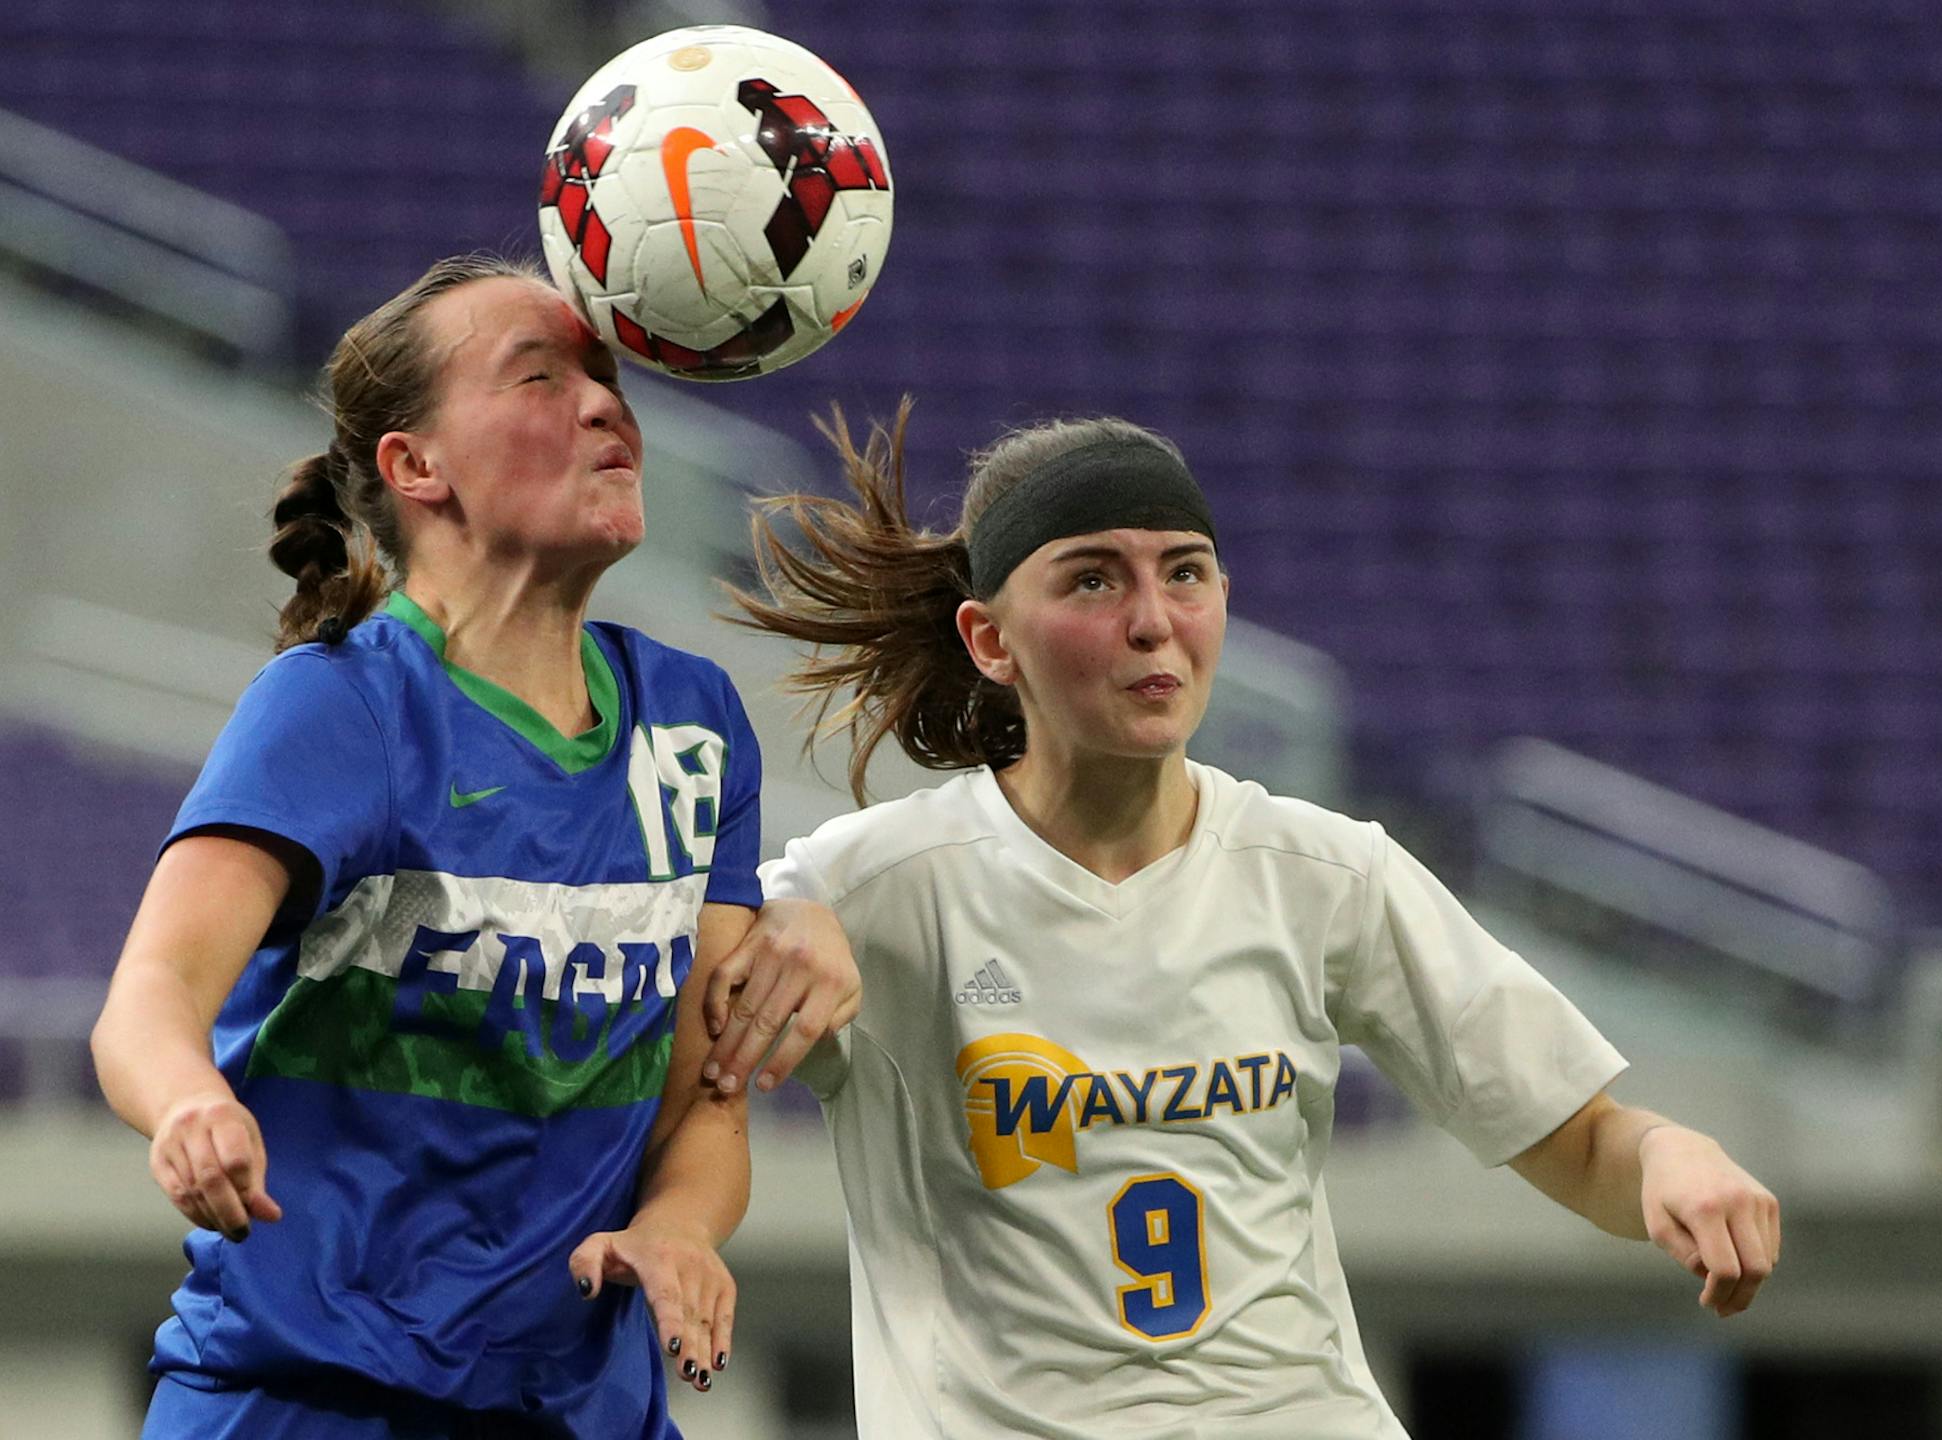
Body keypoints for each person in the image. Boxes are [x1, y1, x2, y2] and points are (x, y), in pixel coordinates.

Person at [714, 402, 1783, 1439]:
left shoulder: (1326, 872)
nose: (1153, 620)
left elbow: (1582, 1140)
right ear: (990, 640)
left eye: (1184, 573)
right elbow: (657, 1036)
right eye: (1093, 578)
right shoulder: (872, 889)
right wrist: (769, 915)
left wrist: (1667, 1158)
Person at [90, 254, 818, 1438]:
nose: (604, 405)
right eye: (539, 379)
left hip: (586, 1409)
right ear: (414, 465)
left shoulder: (695, 724)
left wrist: (677, 1228)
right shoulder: (339, 708)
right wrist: (184, 1106)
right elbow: (151, 995)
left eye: (604, 377)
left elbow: (707, 1102)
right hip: (310, 1405)